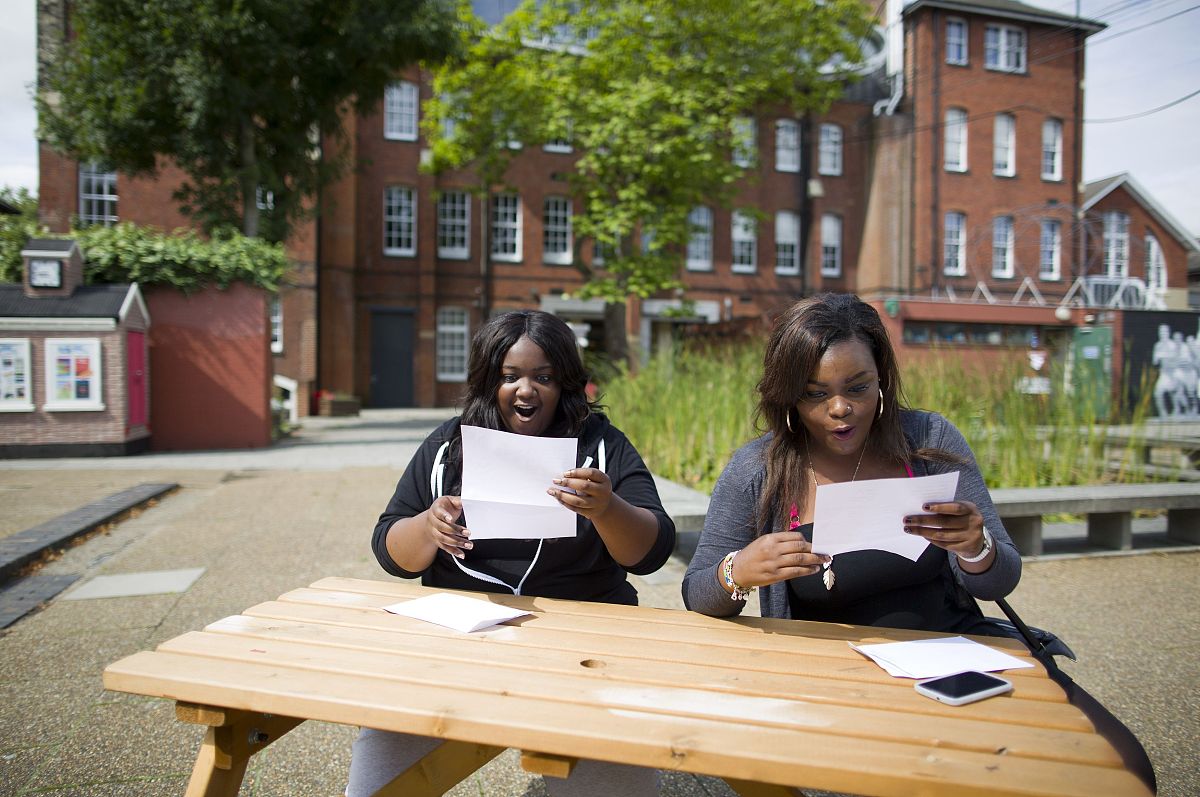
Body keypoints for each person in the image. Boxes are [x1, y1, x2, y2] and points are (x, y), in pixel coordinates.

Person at [347, 309, 675, 797]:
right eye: (510, 376)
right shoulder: (448, 446)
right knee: (386, 740)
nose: (526, 390)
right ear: (487, 382)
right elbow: (391, 550)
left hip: (584, 641)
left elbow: (651, 551)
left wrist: (607, 509)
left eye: (543, 377)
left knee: (612, 757)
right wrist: (428, 527)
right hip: (460, 634)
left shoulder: (601, 446)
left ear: (566, 382)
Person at [682, 293, 1020, 633]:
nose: (840, 408)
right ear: (788, 396)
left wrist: (977, 547)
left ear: (881, 380)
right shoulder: (758, 468)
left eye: (858, 388)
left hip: (947, 658)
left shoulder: (929, 439)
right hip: (831, 674)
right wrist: (736, 571)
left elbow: (998, 583)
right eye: (815, 393)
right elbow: (697, 593)